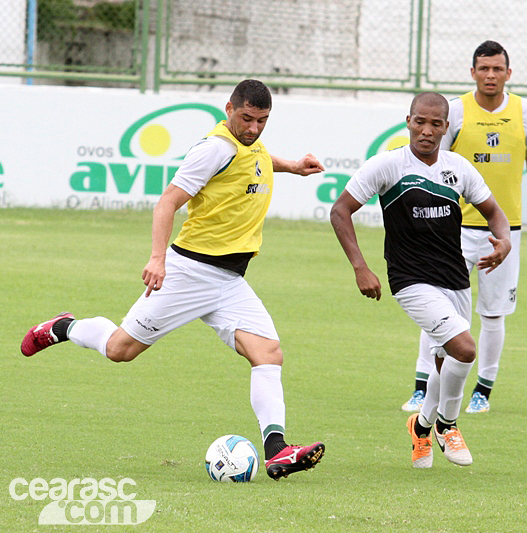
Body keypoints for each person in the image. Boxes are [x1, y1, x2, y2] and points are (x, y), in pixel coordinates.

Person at [21, 79, 327, 480]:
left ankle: (277, 450)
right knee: (119, 350)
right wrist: (157, 259)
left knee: (268, 354)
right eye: (247, 118)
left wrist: (291, 166)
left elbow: (258, 156)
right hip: (188, 273)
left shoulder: (249, 143)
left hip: (230, 281)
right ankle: (63, 327)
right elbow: (167, 201)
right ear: (229, 108)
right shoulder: (214, 148)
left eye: (262, 120)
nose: (253, 128)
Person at [330, 92, 511, 468]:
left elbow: (495, 212)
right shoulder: (387, 166)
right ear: (408, 121)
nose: (426, 131)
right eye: (420, 122)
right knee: (464, 349)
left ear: (446, 127)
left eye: (436, 124)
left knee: (446, 364)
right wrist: (360, 267)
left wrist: (505, 240)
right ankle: (447, 424)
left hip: (455, 278)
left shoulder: (458, 167)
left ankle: (422, 426)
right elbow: (340, 211)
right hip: (410, 280)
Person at [401, 40, 527, 415]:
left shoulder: (525, 112)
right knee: (437, 308)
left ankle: (483, 389)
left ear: (508, 73)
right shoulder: (454, 111)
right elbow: (431, 162)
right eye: (483, 69)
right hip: (451, 228)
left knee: (492, 312)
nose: (490, 75)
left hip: (505, 230)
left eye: (497, 69)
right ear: (472, 72)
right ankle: (423, 387)